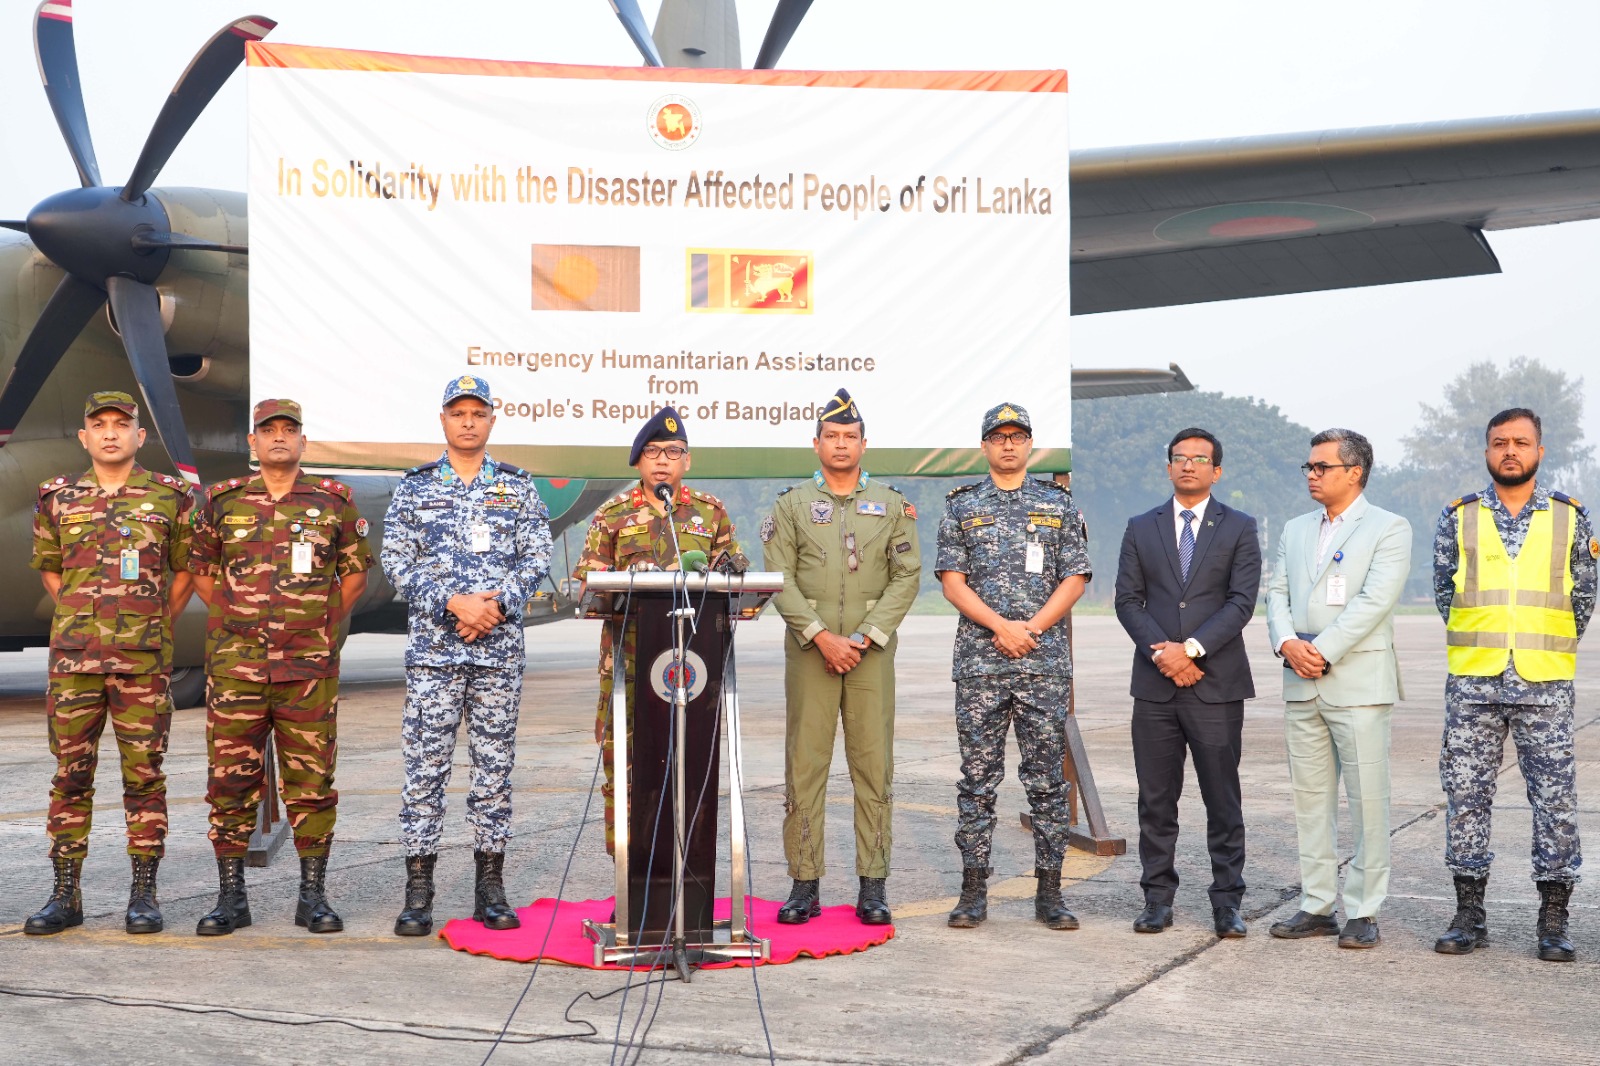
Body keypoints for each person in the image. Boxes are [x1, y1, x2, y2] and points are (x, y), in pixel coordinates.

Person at [187, 399, 373, 936]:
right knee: (229, 783)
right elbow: (201, 571)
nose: (278, 439)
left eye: (289, 430)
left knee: (311, 783)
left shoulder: (332, 502)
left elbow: (354, 577)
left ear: (302, 443)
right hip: (236, 668)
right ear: (252, 442)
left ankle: (312, 898)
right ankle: (231, 898)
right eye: (268, 431)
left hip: (307, 669)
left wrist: (317, 626)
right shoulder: (222, 501)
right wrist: (234, 619)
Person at [382, 375, 551, 936]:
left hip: (498, 652)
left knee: (493, 773)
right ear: (444, 420)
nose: (469, 421)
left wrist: (494, 608)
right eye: (459, 413)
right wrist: (453, 604)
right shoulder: (415, 487)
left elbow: (537, 556)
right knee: (425, 772)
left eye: (479, 412)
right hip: (434, 653)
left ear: (491, 421)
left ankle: (490, 887)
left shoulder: (517, 487)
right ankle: (419, 889)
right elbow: (397, 562)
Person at [24, 391, 195, 936]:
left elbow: (185, 571)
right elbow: (51, 570)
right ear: (85, 437)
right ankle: (64, 895)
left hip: (142, 662)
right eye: (99, 424)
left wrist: (150, 620)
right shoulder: (57, 498)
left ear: (139, 436)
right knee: (71, 777)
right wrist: (83, 614)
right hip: (76, 661)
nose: (111, 433)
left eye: (122, 424)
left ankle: (143, 894)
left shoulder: (170, 497)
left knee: (144, 777)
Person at [1432, 407, 1594, 962]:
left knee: (1555, 802)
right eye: (1499, 442)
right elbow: (1443, 593)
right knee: (1466, 798)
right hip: (1474, 680)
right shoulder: (1459, 515)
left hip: (1544, 683)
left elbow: (1583, 598)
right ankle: (1469, 913)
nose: (1510, 451)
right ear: (1486, 451)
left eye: (1521, 442)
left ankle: (1553, 918)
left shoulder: (1572, 516)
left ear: (1539, 452)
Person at [763, 388, 921, 926]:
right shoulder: (789, 506)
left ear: (863, 444)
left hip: (870, 654)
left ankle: (872, 885)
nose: (840, 444)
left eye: (850, 437)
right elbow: (778, 578)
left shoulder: (893, 505)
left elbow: (907, 576)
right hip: (811, 651)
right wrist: (820, 634)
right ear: (816, 445)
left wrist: (867, 635)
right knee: (805, 767)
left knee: (873, 768)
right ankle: (803, 884)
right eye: (831, 436)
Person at [935, 403, 1091, 931]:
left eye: (1017, 436)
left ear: (1030, 445)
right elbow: (952, 581)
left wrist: (1033, 629)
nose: (1008, 445)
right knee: (977, 780)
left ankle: (1050, 892)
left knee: (1047, 781)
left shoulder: (1058, 504)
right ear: (984, 446)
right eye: (998, 437)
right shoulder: (961, 505)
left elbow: (1075, 577)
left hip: (1041, 662)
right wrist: (1001, 627)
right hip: (982, 662)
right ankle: (973, 890)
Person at [571, 404, 738, 860]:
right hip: (629, 666)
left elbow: (734, 578)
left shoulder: (711, 513)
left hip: (694, 669)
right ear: (638, 462)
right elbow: (587, 582)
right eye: (652, 451)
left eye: (673, 450)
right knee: (626, 772)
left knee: (691, 768)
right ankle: (630, 884)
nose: (663, 459)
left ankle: (686, 880)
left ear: (688, 460)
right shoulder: (613, 515)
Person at [1114, 427, 1261, 938]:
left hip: (1215, 684)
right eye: (1180, 458)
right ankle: (1157, 898)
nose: (1189, 466)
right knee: (1156, 800)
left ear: (1216, 470)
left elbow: (1241, 602)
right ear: (1168, 466)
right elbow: (1127, 601)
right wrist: (1164, 655)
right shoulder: (1141, 527)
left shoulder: (1239, 527)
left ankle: (1227, 902)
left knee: (1223, 798)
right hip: (1154, 689)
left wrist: (1191, 650)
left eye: (1200, 459)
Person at [1266, 428, 1410, 949]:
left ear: (1354, 472)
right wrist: (1285, 642)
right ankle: (1316, 903)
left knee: (1368, 800)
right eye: (1308, 466)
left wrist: (1320, 650)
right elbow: (1276, 590)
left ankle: (1365, 908)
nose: (1311, 474)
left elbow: (1375, 602)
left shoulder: (1390, 528)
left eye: (1320, 467)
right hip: (1300, 681)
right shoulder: (1295, 528)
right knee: (1310, 800)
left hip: (1358, 684)